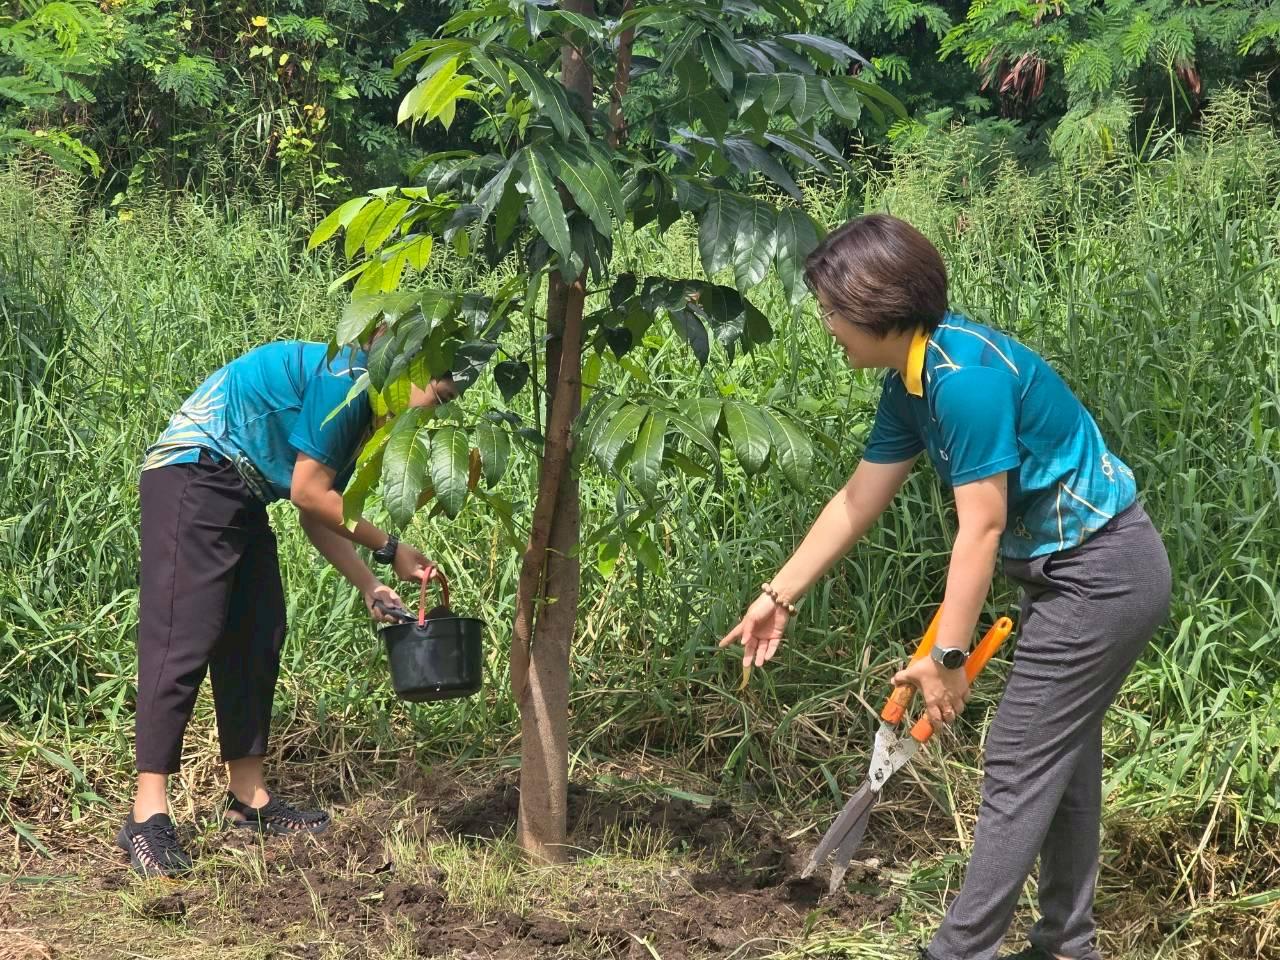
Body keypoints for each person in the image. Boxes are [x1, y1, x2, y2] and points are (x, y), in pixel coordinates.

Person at [719, 214, 1171, 960]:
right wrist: (779, 595)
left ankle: (959, 951)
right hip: (1071, 575)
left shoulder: (965, 384)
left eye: (831, 311)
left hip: (1103, 576)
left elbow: (982, 529)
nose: (828, 326)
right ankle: (1067, 944)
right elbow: (857, 499)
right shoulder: (914, 379)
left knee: (1020, 759)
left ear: (872, 307)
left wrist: (949, 656)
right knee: (1062, 761)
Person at [117, 337, 456, 877]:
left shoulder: (365, 408)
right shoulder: (348, 379)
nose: (435, 411)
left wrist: (371, 584)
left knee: (258, 631)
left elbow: (319, 509)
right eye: (437, 396)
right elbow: (306, 493)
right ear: (409, 371)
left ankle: (248, 801)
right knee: (185, 634)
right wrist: (390, 549)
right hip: (195, 470)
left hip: (241, 490)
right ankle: (146, 815)